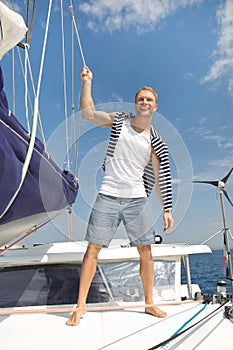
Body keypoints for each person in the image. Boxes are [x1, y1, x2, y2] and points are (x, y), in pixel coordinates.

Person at [66, 66, 174, 326]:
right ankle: (80, 306)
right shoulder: (120, 121)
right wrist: (87, 82)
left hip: (138, 198)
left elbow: (162, 178)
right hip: (109, 195)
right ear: (135, 104)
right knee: (93, 248)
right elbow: (88, 113)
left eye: (149, 99)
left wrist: (167, 209)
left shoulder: (157, 142)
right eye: (141, 99)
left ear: (155, 106)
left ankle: (149, 304)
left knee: (146, 251)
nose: (144, 102)